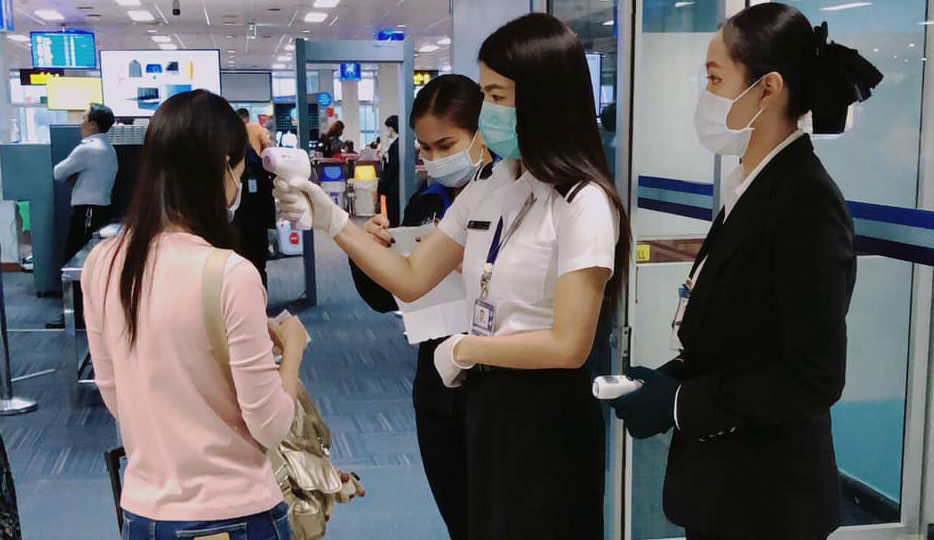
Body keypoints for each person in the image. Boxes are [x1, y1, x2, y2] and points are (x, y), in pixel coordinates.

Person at [275, 14, 630, 540]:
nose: (487, 110)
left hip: (543, 414)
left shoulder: (584, 202)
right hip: (485, 405)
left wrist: (466, 349)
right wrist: (331, 219)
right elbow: (413, 276)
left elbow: (569, 344)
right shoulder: (495, 183)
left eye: (497, 94)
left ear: (542, 97)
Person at [608, 5, 882, 540]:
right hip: (724, 487)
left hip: (768, 500)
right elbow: (750, 333)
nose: (704, 95)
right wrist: (670, 380)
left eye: (714, 79)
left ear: (767, 89)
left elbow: (813, 375)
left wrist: (684, 404)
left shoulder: (805, 201)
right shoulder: (751, 185)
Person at [82, 90, 308, 540]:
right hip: (235, 514)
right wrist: (295, 350)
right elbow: (270, 424)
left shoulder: (103, 263)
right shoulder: (230, 274)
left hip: (144, 513)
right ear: (225, 167)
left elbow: (115, 396)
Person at [348, 74, 489, 540]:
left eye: (444, 144)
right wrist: (368, 253)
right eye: (425, 149)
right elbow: (388, 297)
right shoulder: (426, 202)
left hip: (499, 382)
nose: (433, 159)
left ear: (482, 132)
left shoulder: (515, 198)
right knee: (460, 519)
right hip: (436, 387)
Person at [48, 103, 118, 328]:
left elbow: (58, 172)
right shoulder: (108, 148)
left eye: (83, 119)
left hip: (87, 212)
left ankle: (77, 315)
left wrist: (75, 174)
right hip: (100, 211)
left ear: (93, 124)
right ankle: (87, 313)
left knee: (76, 264)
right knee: (90, 264)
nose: (80, 123)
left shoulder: (87, 149)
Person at [234, 107, 277, 287]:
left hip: (240, 215)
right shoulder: (257, 131)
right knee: (258, 265)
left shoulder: (229, 143)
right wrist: (271, 224)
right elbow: (268, 149)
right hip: (257, 213)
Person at [378, 115, 401, 226]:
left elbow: (391, 169)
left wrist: (382, 186)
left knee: (393, 217)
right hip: (398, 185)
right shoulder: (402, 144)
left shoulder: (395, 146)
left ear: (392, 128)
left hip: (393, 187)